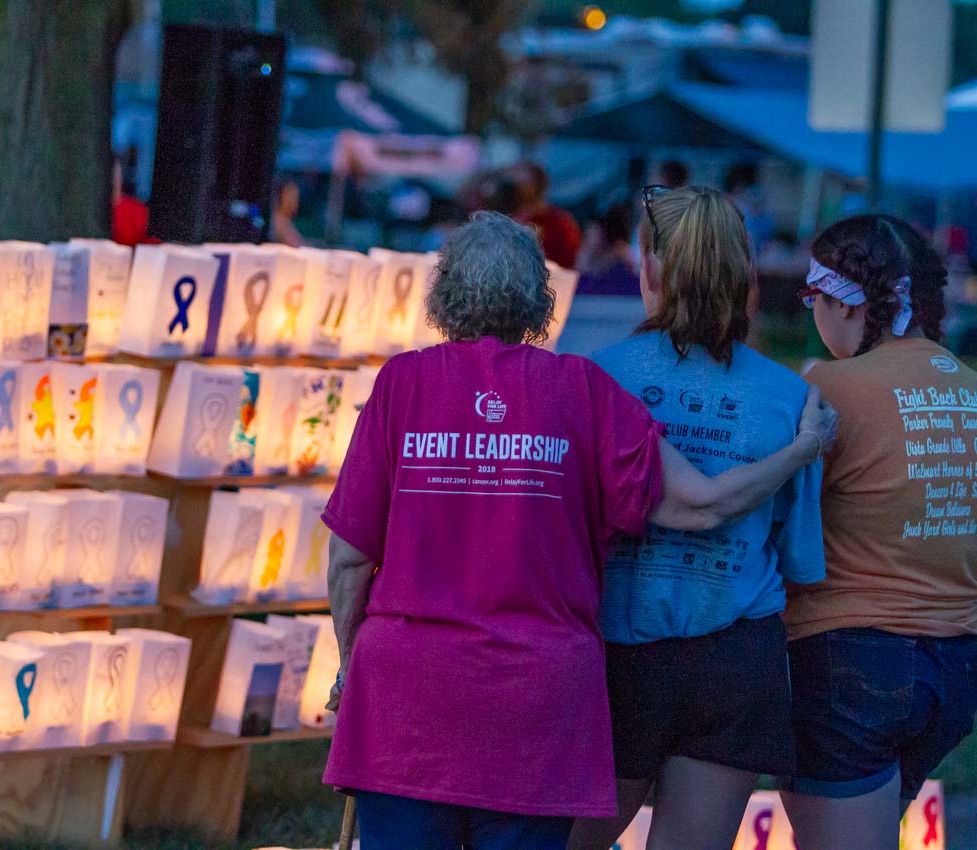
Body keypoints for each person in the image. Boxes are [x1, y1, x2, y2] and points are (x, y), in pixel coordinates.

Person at [322, 211, 835, 850]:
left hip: (405, 703)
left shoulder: (402, 383)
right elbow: (698, 506)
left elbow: (347, 559)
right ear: (540, 298)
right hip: (538, 704)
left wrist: (350, 667)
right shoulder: (582, 391)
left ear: (443, 294)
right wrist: (799, 451)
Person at [567, 186, 823, 850]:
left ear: (649, 268)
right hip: (735, 660)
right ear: (743, 274)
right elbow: (798, 559)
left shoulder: (595, 379)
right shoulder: (793, 398)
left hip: (615, 655)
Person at [779, 214, 977, 850]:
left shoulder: (831, 386)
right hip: (955, 668)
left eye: (814, 299)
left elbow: (776, 514)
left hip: (849, 662)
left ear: (846, 303)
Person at [514, 161, 581, 269]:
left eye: (523, 182)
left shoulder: (560, 223)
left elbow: (570, 261)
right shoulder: (509, 219)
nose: (518, 188)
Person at [575, 204, 641, 297]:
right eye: (586, 233)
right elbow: (581, 279)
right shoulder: (587, 255)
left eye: (592, 230)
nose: (588, 236)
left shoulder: (623, 256)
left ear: (603, 232)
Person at [271, 178, 304, 247]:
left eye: (296, 198)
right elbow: (297, 246)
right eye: (290, 197)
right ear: (280, 197)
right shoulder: (279, 223)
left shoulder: (285, 222)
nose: (294, 203)